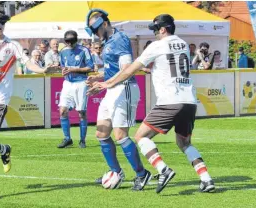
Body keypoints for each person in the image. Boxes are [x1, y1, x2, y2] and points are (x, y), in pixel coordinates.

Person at [88, 14, 215, 193]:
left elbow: (129, 69)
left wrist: (107, 83)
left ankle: (163, 170)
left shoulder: (157, 46)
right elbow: (167, 65)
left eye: (155, 30)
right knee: (184, 143)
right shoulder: (184, 45)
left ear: (163, 29)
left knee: (141, 136)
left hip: (170, 101)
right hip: (189, 100)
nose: (154, 33)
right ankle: (206, 179)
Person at [0, 5, 52, 196]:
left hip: (0, 98)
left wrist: (42, 70)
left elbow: (28, 63)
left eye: (2, 22)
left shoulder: (13, 45)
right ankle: (5, 150)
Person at [85, 9, 152, 191]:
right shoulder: (107, 43)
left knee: (120, 135)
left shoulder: (120, 39)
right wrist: (98, 78)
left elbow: (127, 69)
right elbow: (112, 70)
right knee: (101, 133)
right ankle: (116, 172)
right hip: (112, 89)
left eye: (96, 31)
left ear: (105, 24)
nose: (96, 35)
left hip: (124, 89)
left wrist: (106, 84)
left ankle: (142, 174)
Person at [57, 30, 94, 149]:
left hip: (81, 83)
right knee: (62, 110)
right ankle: (67, 138)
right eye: (67, 41)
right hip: (68, 83)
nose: (69, 44)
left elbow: (90, 67)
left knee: (81, 112)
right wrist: (61, 70)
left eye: (71, 41)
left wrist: (73, 69)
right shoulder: (63, 51)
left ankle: (82, 140)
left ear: (76, 40)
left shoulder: (84, 50)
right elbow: (63, 66)